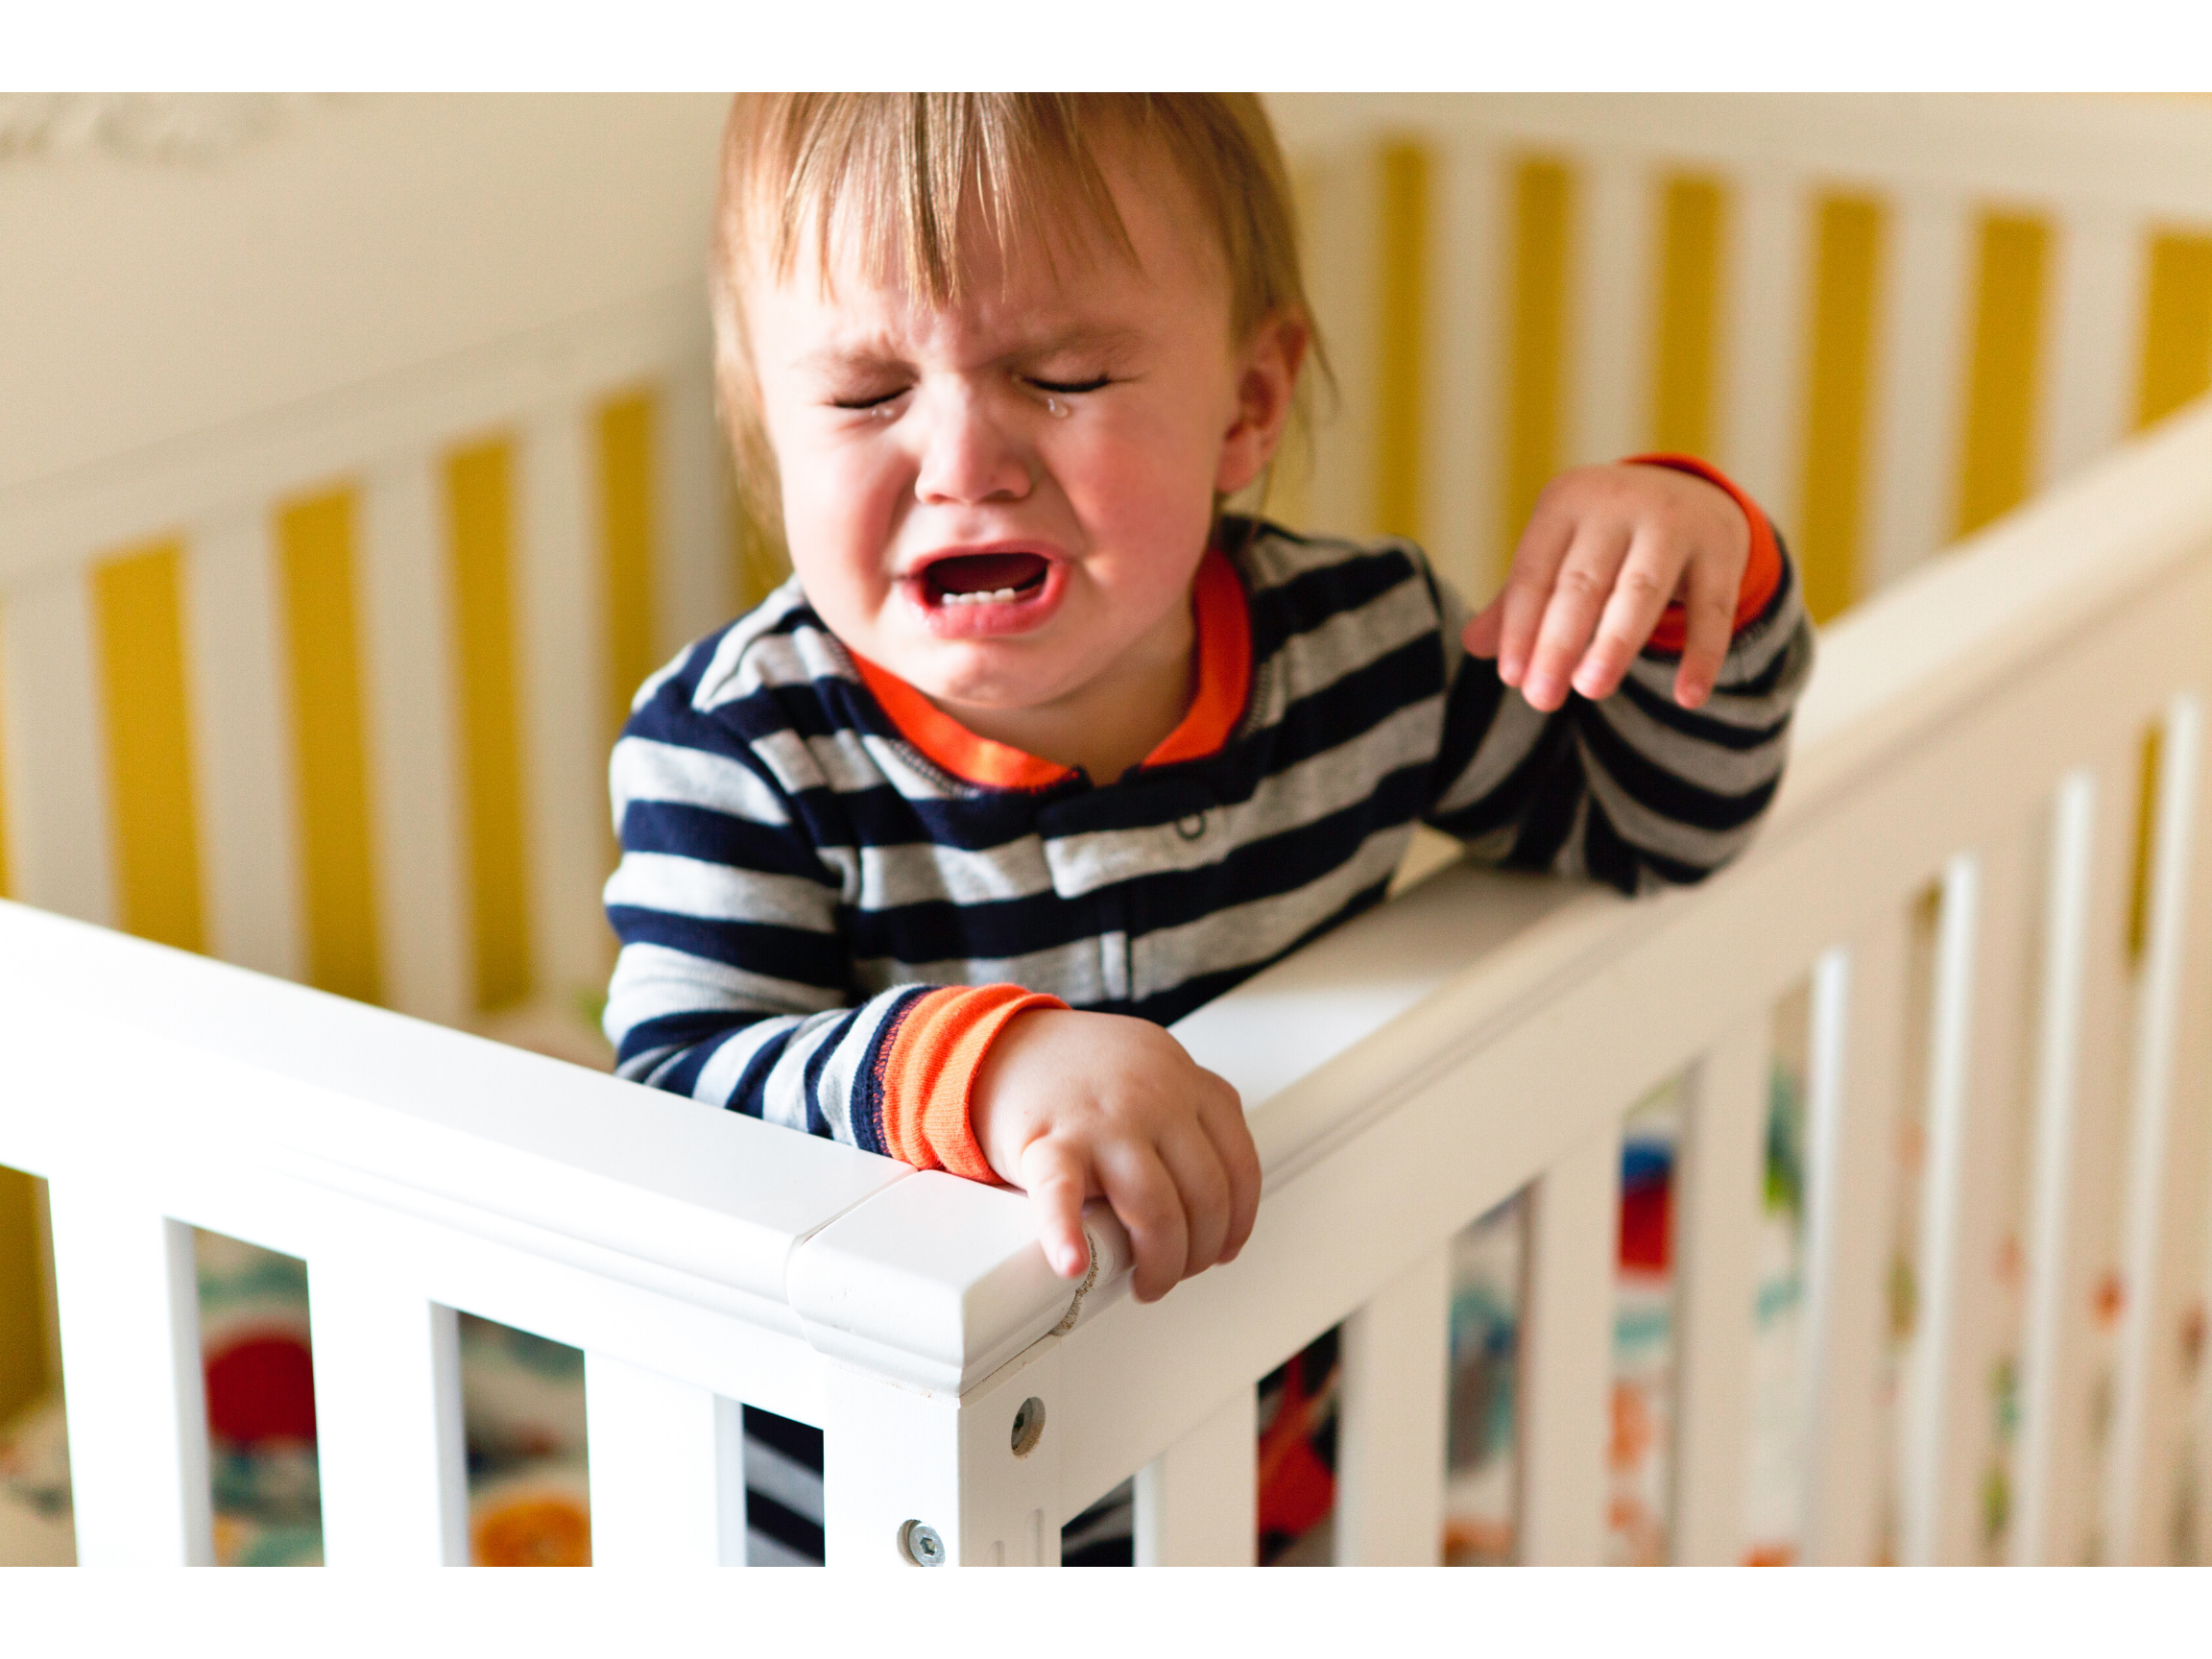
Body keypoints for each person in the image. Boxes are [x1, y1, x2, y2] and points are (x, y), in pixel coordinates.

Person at [604, 92, 1811, 1312]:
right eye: (866, 395)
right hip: (870, 1485)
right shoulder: (739, 750)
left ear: (1246, 405)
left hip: (1274, 1439)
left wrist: (1695, 573)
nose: (964, 465)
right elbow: (672, 1098)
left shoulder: (1367, 654)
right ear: (768, 418)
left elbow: (1661, 826)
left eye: (1062, 374)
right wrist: (978, 1072)